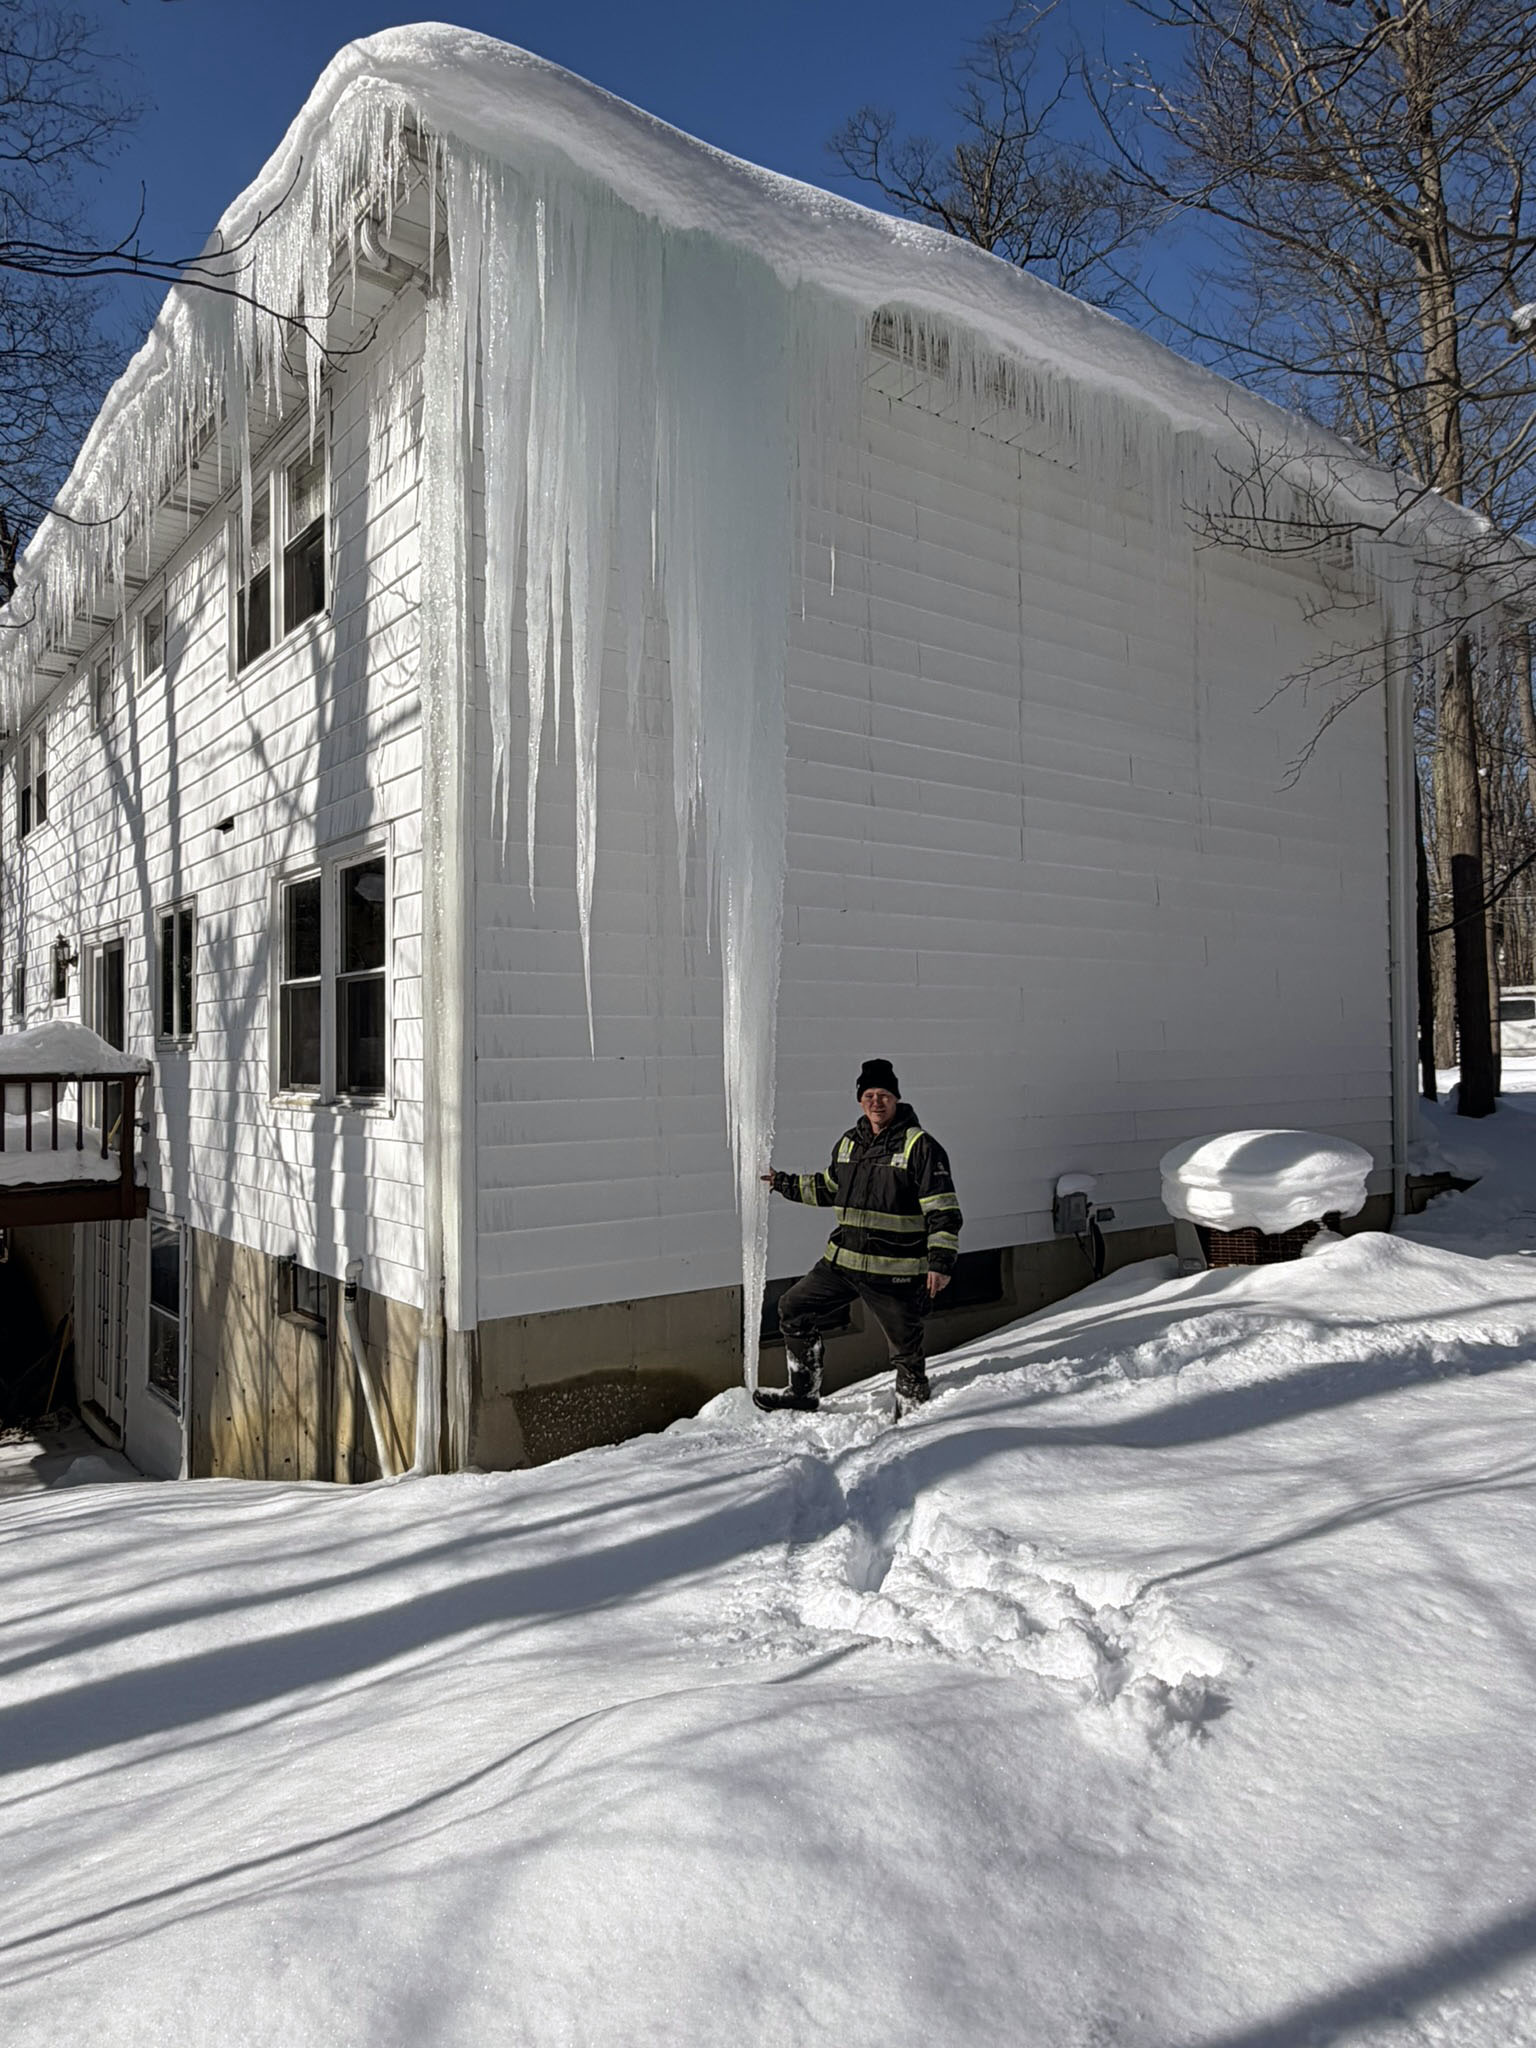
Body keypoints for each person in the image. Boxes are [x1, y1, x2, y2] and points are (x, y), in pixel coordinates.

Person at [755, 1058, 963, 1414]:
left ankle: (914, 1412)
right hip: (843, 1262)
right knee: (793, 1307)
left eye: (883, 1094)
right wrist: (782, 1183)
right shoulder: (850, 1143)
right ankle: (803, 1392)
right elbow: (827, 1188)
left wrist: (940, 1263)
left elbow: (943, 1210)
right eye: (869, 1094)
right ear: (859, 1100)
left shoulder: (920, 1147)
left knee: (905, 1349)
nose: (876, 1101)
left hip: (894, 1270)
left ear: (896, 1099)